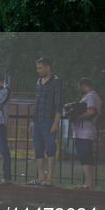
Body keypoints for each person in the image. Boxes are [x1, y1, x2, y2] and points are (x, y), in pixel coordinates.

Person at [28, 57, 63, 187]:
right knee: (38, 149)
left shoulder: (56, 82)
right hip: (38, 120)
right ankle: (40, 177)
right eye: (37, 68)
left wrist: (56, 123)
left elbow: (59, 104)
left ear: (48, 67)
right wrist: (33, 121)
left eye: (40, 68)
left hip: (49, 120)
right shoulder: (38, 82)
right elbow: (37, 103)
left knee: (50, 148)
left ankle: (49, 178)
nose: (38, 70)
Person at [73, 78, 101, 191]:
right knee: (89, 158)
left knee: (84, 157)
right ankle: (88, 183)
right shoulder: (96, 96)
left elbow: (91, 111)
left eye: (80, 87)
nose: (80, 89)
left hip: (83, 132)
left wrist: (78, 117)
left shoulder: (90, 96)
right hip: (89, 132)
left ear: (83, 86)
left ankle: (88, 184)